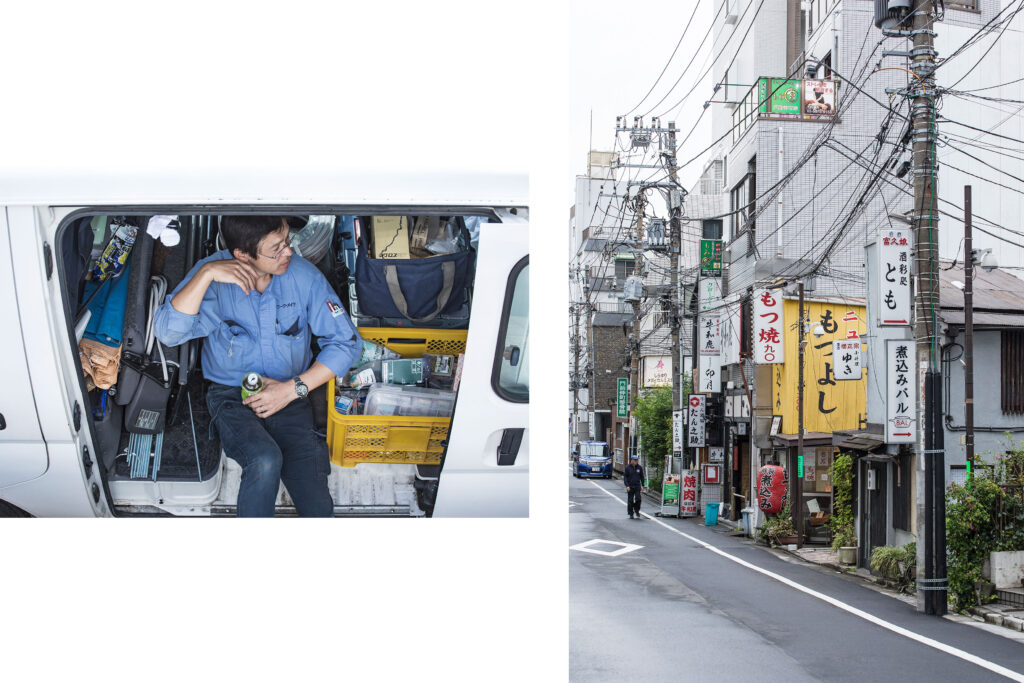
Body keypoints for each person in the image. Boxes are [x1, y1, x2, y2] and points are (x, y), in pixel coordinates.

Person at [154, 215, 361, 517]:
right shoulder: (213, 276)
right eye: (276, 249)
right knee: (264, 459)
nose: (288, 252)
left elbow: (346, 343)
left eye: (287, 242)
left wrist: (293, 389)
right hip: (230, 396)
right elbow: (167, 331)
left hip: (290, 393)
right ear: (241, 255)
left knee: (315, 500)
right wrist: (207, 273)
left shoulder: (304, 277)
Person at [624, 454, 645, 519]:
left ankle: (636, 510)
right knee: (630, 500)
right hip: (630, 486)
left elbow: (642, 476)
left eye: (637, 460)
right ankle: (631, 513)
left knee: (638, 499)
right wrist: (627, 486)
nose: (636, 461)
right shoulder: (628, 467)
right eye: (635, 460)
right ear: (632, 460)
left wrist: (642, 485)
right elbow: (625, 477)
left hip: (637, 485)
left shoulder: (639, 468)